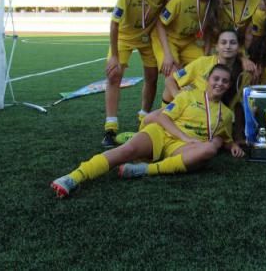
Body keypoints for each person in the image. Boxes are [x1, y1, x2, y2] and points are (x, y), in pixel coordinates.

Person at [50, 65, 245, 199]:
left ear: (229, 86)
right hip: (163, 133)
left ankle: (143, 169)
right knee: (126, 151)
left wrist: (232, 145)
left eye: (225, 81)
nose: (219, 83)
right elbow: (163, 117)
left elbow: (221, 137)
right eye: (216, 79)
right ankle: (74, 177)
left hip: (183, 147)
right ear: (207, 80)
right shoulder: (188, 95)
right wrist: (185, 137)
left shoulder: (226, 114)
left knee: (208, 152)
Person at [103, 0, 181, 148]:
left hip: (147, 39)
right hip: (124, 37)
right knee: (114, 75)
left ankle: (143, 120)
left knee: (152, 77)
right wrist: (113, 55)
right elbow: (114, 24)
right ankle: (110, 127)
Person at [153, 0, 222, 76]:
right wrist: (167, 54)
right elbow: (160, 23)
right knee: (173, 73)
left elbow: (209, 29)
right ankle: (176, 93)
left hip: (188, 40)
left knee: (206, 67)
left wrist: (206, 53)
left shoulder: (215, 1)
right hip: (168, 39)